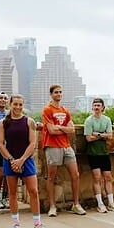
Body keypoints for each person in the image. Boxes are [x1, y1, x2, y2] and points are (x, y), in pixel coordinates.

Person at [0, 94, 52, 228]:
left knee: (33, 191)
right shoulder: (3, 122)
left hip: (26, 160)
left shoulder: (29, 122)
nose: (18, 107)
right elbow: (0, 144)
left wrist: (21, 160)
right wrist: (11, 160)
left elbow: (32, 143)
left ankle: (37, 224)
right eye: (15, 104)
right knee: (13, 193)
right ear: (10, 104)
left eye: (20, 104)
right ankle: (16, 224)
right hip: (10, 160)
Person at [42, 84, 85, 217]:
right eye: (56, 92)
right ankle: (52, 206)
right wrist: (63, 128)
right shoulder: (47, 110)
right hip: (52, 146)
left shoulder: (65, 110)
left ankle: (76, 204)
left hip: (66, 146)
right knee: (51, 177)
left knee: (75, 175)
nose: (58, 94)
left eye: (60, 92)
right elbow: (51, 130)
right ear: (51, 94)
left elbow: (71, 129)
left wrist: (59, 128)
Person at [83, 98, 114, 213]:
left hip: (104, 152)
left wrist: (97, 134)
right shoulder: (89, 120)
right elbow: (88, 138)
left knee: (108, 177)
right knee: (97, 177)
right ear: (92, 107)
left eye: (98, 105)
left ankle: (111, 202)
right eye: (95, 105)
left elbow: (110, 135)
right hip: (93, 153)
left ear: (103, 107)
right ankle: (100, 203)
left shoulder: (107, 119)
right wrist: (102, 135)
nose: (96, 107)